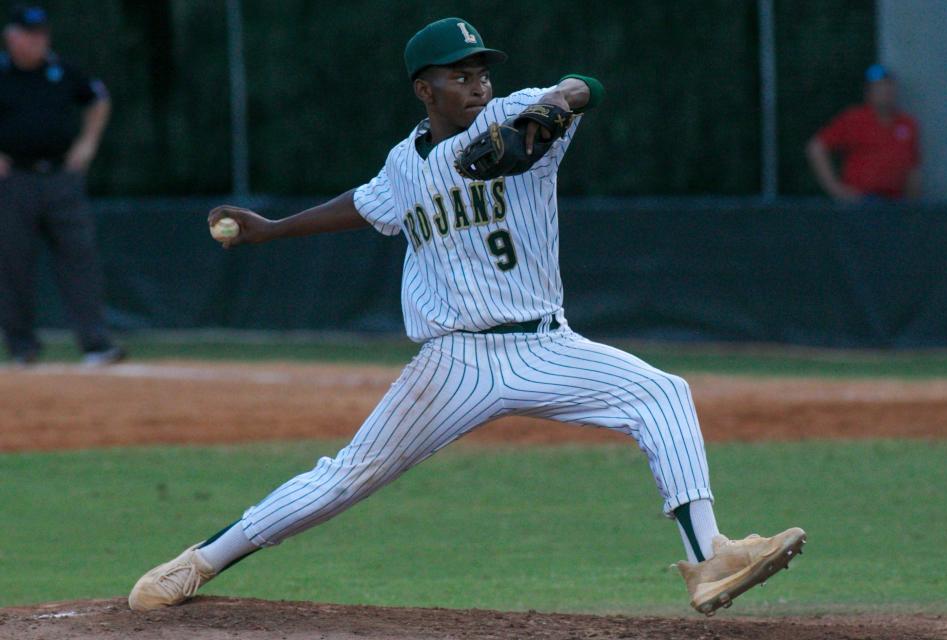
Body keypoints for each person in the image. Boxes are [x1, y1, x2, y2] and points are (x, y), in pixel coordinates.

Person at [128, 17, 805, 616]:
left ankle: (709, 557)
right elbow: (363, 206)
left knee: (661, 393)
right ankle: (200, 562)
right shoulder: (404, 164)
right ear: (425, 90)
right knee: (345, 477)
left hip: (546, 343)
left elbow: (585, 84)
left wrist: (549, 110)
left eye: (481, 71)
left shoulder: (512, 114)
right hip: (455, 361)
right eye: (461, 75)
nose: (478, 84)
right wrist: (269, 230)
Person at [0, 4, 123, 366]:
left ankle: (96, 344)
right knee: (13, 266)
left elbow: (98, 99)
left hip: (60, 180)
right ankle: (22, 348)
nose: (38, 42)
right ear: (11, 37)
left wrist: (87, 145)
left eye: (42, 35)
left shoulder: (61, 70)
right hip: (14, 182)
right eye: (30, 34)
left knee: (80, 259)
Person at [806, 64, 921, 202]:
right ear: (868, 92)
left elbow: (913, 167)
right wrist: (836, 189)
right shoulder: (854, 119)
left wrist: (913, 205)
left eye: (887, 86)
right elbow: (816, 147)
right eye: (878, 87)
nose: (885, 91)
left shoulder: (907, 124)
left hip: (895, 204)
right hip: (861, 203)